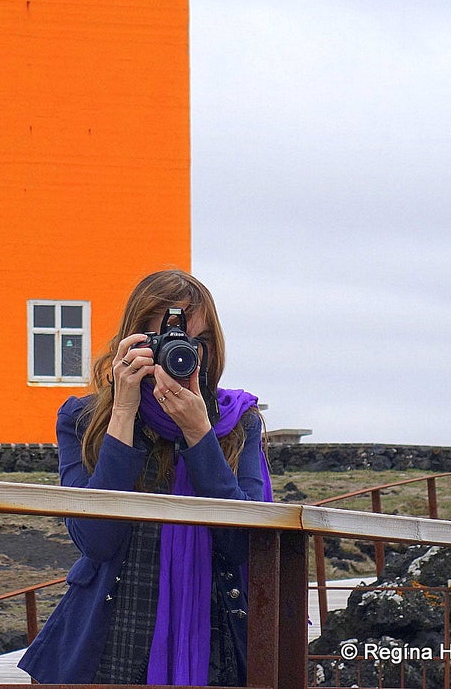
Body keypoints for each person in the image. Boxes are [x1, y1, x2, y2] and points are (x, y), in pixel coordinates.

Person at [19, 269, 271, 686]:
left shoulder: (236, 421)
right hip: (110, 637)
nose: (184, 354)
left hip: (212, 642)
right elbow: (95, 541)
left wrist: (198, 434)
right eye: (166, 342)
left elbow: (244, 542)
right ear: (133, 344)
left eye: (198, 343)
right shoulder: (83, 419)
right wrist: (123, 412)